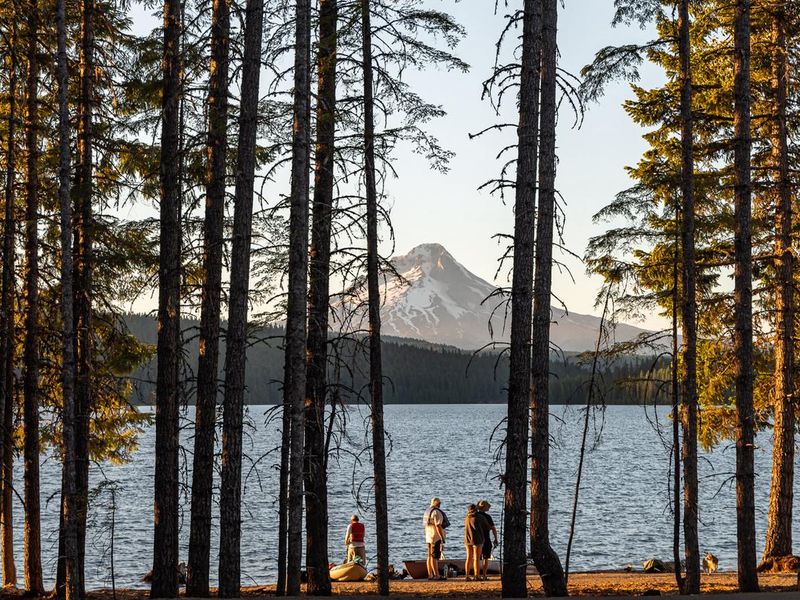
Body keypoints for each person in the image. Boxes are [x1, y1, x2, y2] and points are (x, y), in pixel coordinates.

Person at [423, 497, 447, 580]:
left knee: (429, 556)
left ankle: (430, 574)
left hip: (428, 536)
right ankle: (437, 575)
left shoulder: (427, 511)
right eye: (439, 503)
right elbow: (438, 526)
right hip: (435, 537)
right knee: (435, 557)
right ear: (437, 504)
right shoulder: (436, 512)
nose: (440, 504)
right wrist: (442, 538)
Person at [476, 499, 498, 580]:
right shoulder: (487, 517)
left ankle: (477, 574)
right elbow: (493, 529)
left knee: (477, 558)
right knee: (486, 557)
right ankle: (484, 575)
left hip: (477, 538)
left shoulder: (475, 515)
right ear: (484, 507)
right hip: (486, 538)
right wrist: (495, 539)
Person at [463, 504, 484, 581]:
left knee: (468, 558)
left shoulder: (467, 518)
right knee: (476, 559)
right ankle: (476, 575)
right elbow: (486, 526)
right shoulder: (478, 517)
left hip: (467, 540)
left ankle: (467, 576)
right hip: (477, 540)